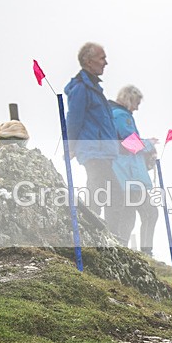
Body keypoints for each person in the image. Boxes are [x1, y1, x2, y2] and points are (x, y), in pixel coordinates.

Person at [65, 42, 125, 238]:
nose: (106, 62)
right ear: (88, 61)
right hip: (93, 151)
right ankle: (101, 235)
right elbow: (73, 119)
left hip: (102, 152)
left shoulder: (94, 88)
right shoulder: (82, 88)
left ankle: (101, 234)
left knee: (104, 193)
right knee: (109, 193)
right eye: (102, 58)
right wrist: (70, 147)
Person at [110, 84, 159, 256]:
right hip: (128, 176)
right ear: (129, 98)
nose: (137, 107)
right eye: (137, 102)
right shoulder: (121, 116)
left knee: (128, 215)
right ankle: (147, 252)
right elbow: (130, 143)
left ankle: (123, 252)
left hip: (122, 174)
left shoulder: (114, 114)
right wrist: (149, 144)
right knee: (150, 213)